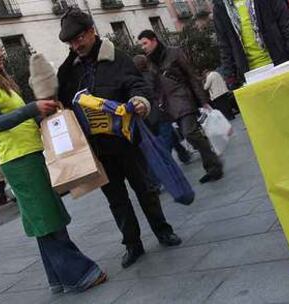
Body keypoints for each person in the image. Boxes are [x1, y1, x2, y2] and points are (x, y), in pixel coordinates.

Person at [0, 33, 106, 293]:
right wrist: (33, 108)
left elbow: (17, 118)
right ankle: (79, 274)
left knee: (43, 218)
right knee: (49, 217)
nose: (1, 54)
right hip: (18, 160)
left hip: (28, 155)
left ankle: (56, 279)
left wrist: (42, 113)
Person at [57, 8, 182, 269]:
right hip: (97, 147)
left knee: (145, 189)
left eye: (79, 38)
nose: (76, 45)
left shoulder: (118, 58)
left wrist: (139, 101)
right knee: (116, 199)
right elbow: (62, 100)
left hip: (126, 139)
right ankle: (132, 244)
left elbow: (137, 85)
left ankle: (162, 230)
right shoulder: (69, 70)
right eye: (71, 42)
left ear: (92, 31)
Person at [137, 30, 223, 183]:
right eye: (141, 45)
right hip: (169, 105)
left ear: (154, 40)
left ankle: (214, 165)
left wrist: (202, 99)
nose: (143, 47)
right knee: (190, 135)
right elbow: (156, 86)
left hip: (184, 98)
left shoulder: (174, 52)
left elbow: (191, 75)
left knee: (189, 133)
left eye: (145, 43)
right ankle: (211, 163)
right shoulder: (150, 62)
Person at [213, 0, 289, 90]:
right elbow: (224, 45)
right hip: (251, 78)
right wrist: (230, 77)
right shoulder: (220, 7)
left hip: (282, 66)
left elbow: (286, 24)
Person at [132, 54, 192, 163]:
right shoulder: (149, 75)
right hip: (159, 112)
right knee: (167, 137)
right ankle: (169, 160)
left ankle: (180, 155)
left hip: (152, 114)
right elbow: (154, 92)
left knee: (169, 136)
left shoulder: (139, 79)